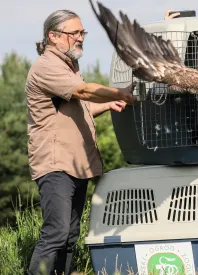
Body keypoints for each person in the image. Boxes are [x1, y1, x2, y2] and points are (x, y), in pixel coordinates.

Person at [25, 9, 134, 275]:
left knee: (70, 236)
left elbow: (80, 108)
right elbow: (84, 92)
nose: (80, 38)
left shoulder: (68, 66)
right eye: (74, 33)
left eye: (82, 32)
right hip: (56, 163)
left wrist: (109, 103)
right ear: (53, 36)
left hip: (76, 162)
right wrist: (121, 92)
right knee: (56, 232)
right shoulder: (47, 66)